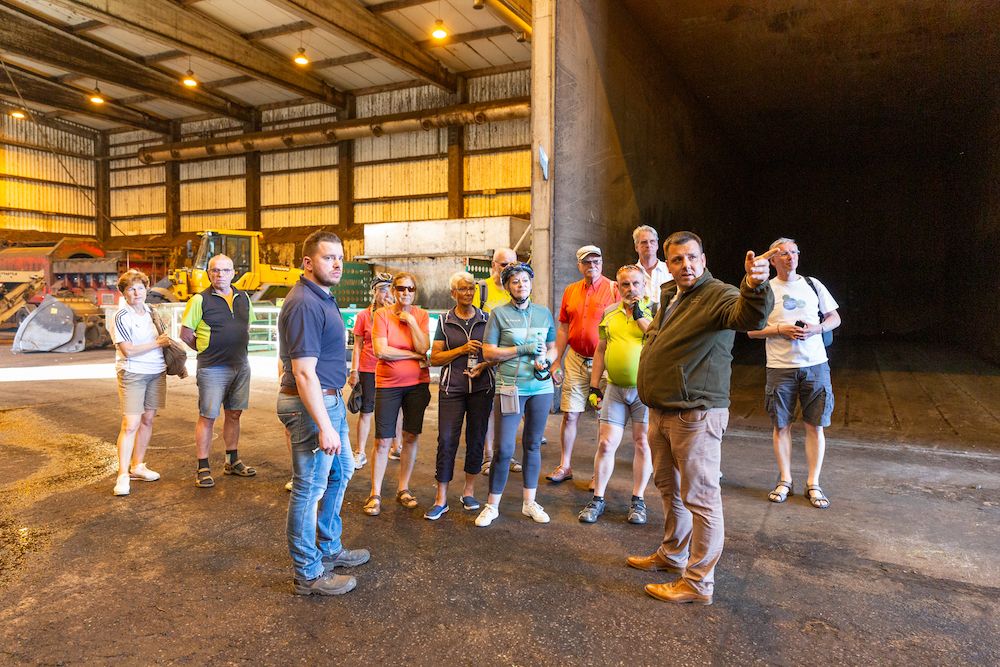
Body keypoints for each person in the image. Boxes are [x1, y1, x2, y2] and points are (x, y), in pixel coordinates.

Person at [631, 230, 773, 605]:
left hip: (695, 414)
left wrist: (755, 285)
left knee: (702, 498)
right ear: (668, 264)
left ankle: (697, 583)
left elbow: (747, 314)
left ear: (703, 259)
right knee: (669, 490)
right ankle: (672, 554)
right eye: (677, 260)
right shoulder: (670, 294)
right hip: (661, 410)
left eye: (692, 258)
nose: (685, 265)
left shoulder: (719, 295)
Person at [277, 230, 369, 596]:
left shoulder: (322, 297)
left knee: (342, 471)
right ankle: (308, 572)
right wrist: (323, 425)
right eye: (329, 257)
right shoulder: (304, 302)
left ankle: (329, 548)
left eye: (340, 258)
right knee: (308, 488)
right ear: (308, 262)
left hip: (328, 401)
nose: (337, 264)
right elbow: (302, 371)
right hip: (310, 407)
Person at [747, 238, 841, 509]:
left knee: (815, 425)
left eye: (793, 252)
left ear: (799, 256)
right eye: (783, 254)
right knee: (781, 425)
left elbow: (834, 317)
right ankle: (785, 479)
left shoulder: (813, 284)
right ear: (773, 260)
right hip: (780, 366)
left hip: (815, 364)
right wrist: (780, 329)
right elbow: (751, 330)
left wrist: (817, 328)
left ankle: (813, 482)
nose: (789, 257)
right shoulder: (765, 289)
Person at [475, 263, 558, 527]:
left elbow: (554, 347)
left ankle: (529, 503)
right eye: (515, 281)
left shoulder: (544, 314)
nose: (521, 285)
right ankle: (492, 505)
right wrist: (522, 349)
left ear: (531, 284)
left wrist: (547, 359)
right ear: (507, 286)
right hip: (510, 387)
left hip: (541, 388)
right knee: (504, 448)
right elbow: (488, 353)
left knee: (532, 445)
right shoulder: (498, 315)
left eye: (524, 280)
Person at [578, 265, 654, 525]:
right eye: (625, 284)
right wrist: (594, 385)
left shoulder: (654, 311)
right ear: (618, 287)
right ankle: (598, 498)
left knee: (642, 442)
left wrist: (638, 313)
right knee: (606, 443)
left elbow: (655, 337)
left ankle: (638, 500)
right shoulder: (609, 312)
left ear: (644, 285)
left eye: (635, 283)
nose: (631, 289)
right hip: (615, 389)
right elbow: (601, 349)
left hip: (644, 391)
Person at [180, 254, 256, 488]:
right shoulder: (199, 300)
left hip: (240, 365)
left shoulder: (244, 298)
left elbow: (247, 326)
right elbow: (186, 334)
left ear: (234, 273)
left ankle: (232, 461)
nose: (220, 275)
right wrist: (207, 349)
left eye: (225, 270)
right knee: (208, 416)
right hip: (212, 368)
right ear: (209, 274)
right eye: (215, 270)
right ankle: (202, 466)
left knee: (234, 413)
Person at [425, 271, 495, 520]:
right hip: (451, 389)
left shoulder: (487, 319)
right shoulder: (444, 322)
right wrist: (462, 349)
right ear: (453, 293)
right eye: (462, 289)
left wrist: (484, 366)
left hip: (481, 388)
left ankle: (469, 492)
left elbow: (494, 354)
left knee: (476, 439)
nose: (468, 293)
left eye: (471, 289)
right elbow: (435, 357)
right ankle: (440, 498)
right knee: (446, 440)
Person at [547, 245, 620, 483]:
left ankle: (597, 473)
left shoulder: (614, 289)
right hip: (576, 359)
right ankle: (565, 465)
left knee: (603, 418)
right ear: (579, 265)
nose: (592, 266)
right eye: (587, 262)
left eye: (596, 261)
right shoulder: (570, 291)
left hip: (606, 362)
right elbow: (564, 328)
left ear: (602, 262)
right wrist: (556, 360)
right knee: (570, 414)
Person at [364, 272, 431, 515]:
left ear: (415, 292)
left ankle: (403, 488)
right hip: (388, 384)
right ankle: (375, 493)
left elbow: (425, 347)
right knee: (382, 440)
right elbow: (382, 351)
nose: (405, 293)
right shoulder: (381, 315)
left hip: (417, 385)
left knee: (411, 436)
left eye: (410, 289)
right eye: (401, 288)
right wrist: (414, 355)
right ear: (393, 290)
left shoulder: (421, 316)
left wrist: (411, 322)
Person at [107, 269, 170, 497]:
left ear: (146, 290)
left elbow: (163, 339)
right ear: (124, 293)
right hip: (132, 373)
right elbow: (128, 351)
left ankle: (138, 466)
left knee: (148, 419)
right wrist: (158, 343)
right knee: (130, 423)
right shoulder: (121, 317)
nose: (137, 292)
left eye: (141, 288)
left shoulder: (152, 312)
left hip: (156, 371)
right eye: (131, 289)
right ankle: (123, 474)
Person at [473, 247, 523, 476]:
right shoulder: (481, 290)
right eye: (503, 265)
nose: (508, 269)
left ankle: (505, 454)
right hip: (488, 357)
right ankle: (488, 457)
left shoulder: (518, 288)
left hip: (510, 360)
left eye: (512, 264)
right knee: (488, 410)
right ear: (493, 265)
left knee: (508, 409)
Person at [348, 273, 402, 470]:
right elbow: (357, 345)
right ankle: (360, 451)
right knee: (366, 410)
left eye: (388, 288)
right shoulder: (364, 316)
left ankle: (397, 446)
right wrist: (354, 370)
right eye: (381, 289)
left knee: (396, 408)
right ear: (374, 292)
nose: (385, 293)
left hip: (392, 367)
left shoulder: (397, 314)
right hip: (369, 368)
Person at [633, 225, 672, 303]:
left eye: (652, 241)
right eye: (644, 242)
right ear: (636, 247)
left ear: (657, 245)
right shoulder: (631, 274)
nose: (648, 245)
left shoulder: (669, 269)